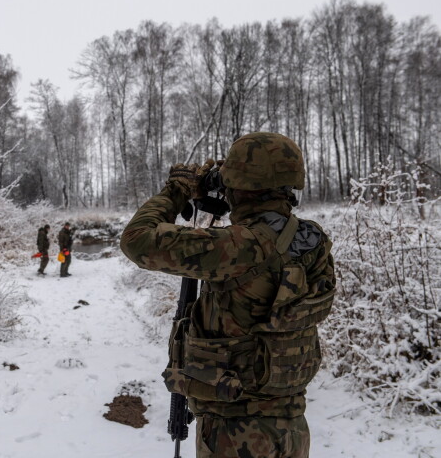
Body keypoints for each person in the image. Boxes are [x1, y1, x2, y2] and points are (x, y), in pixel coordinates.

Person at [120, 132, 335, 458]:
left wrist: (176, 191)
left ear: (241, 186)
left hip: (236, 433)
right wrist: (230, 188)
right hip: (292, 427)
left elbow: (137, 240)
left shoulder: (238, 247)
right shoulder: (312, 240)